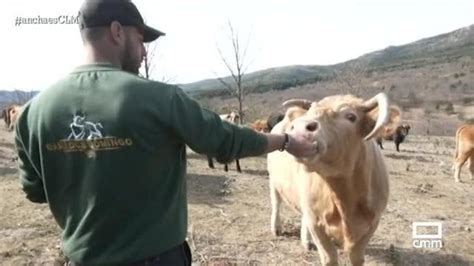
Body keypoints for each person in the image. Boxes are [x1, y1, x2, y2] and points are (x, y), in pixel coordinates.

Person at [14, 0, 318, 265]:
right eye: (140, 38)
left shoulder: (32, 113)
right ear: (117, 31)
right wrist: (286, 141)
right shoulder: (160, 99)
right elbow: (226, 141)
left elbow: (35, 192)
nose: (144, 51)